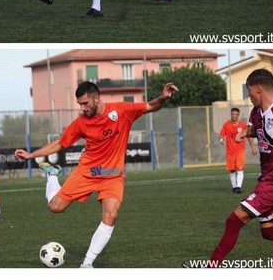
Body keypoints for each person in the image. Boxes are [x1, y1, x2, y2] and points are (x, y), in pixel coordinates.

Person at [14, 81, 179, 268]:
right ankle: (52, 175)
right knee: (55, 207)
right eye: (79, 104)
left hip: (113, 174)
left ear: (97, 98)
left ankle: (87, 264)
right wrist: (31, 155)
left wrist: (163, 97)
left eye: (85, 103)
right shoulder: (81, 123)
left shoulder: (121, 111)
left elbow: (150, 106)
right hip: (87, 172)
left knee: (111, 215)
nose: (82, 108)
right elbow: (60, 143)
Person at [207, 69, 273, 265]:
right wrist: (246, 133)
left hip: (271, 182)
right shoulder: (256, 112)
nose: (248, 95)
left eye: (249, 91)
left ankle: (211, 267)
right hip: (265, 178)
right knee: (268, 231)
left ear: (258, 88)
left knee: (233, 221)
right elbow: (258, 130)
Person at [219, 107, 257, 193]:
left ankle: (238, 187)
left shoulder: (243, 125)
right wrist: (221, 140)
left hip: (240, 150)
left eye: (236, 114)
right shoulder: (226, 125)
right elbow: (222, 134)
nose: (234, 116)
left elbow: (249, 137)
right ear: (231, 115)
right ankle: (234, 187)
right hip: (230, 151)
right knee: (232, 170)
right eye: (233, 114)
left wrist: (253, 147)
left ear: (238, 115)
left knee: (239, 168)